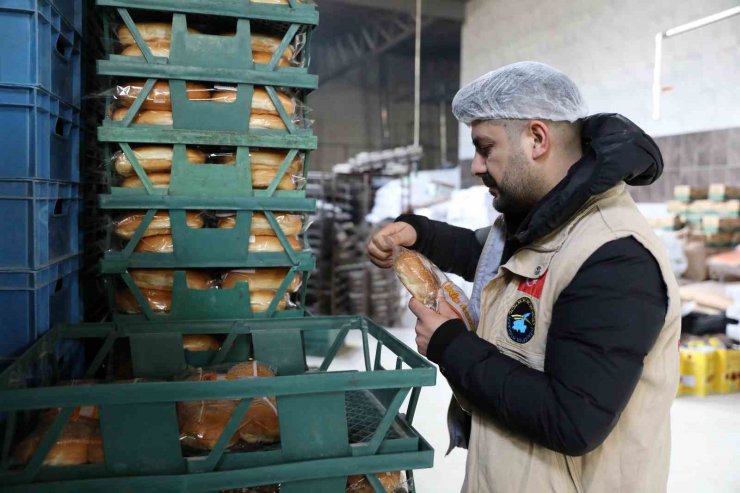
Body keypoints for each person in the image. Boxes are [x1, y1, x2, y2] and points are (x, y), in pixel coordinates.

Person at [368, 62, 679, 493]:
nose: (476, 166)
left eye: (485, 147)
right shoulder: (540, 219)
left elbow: (572, 420)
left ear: (537, 138)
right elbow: (492, 255)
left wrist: (450, 344)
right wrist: (419, 233)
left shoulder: (613, 258)